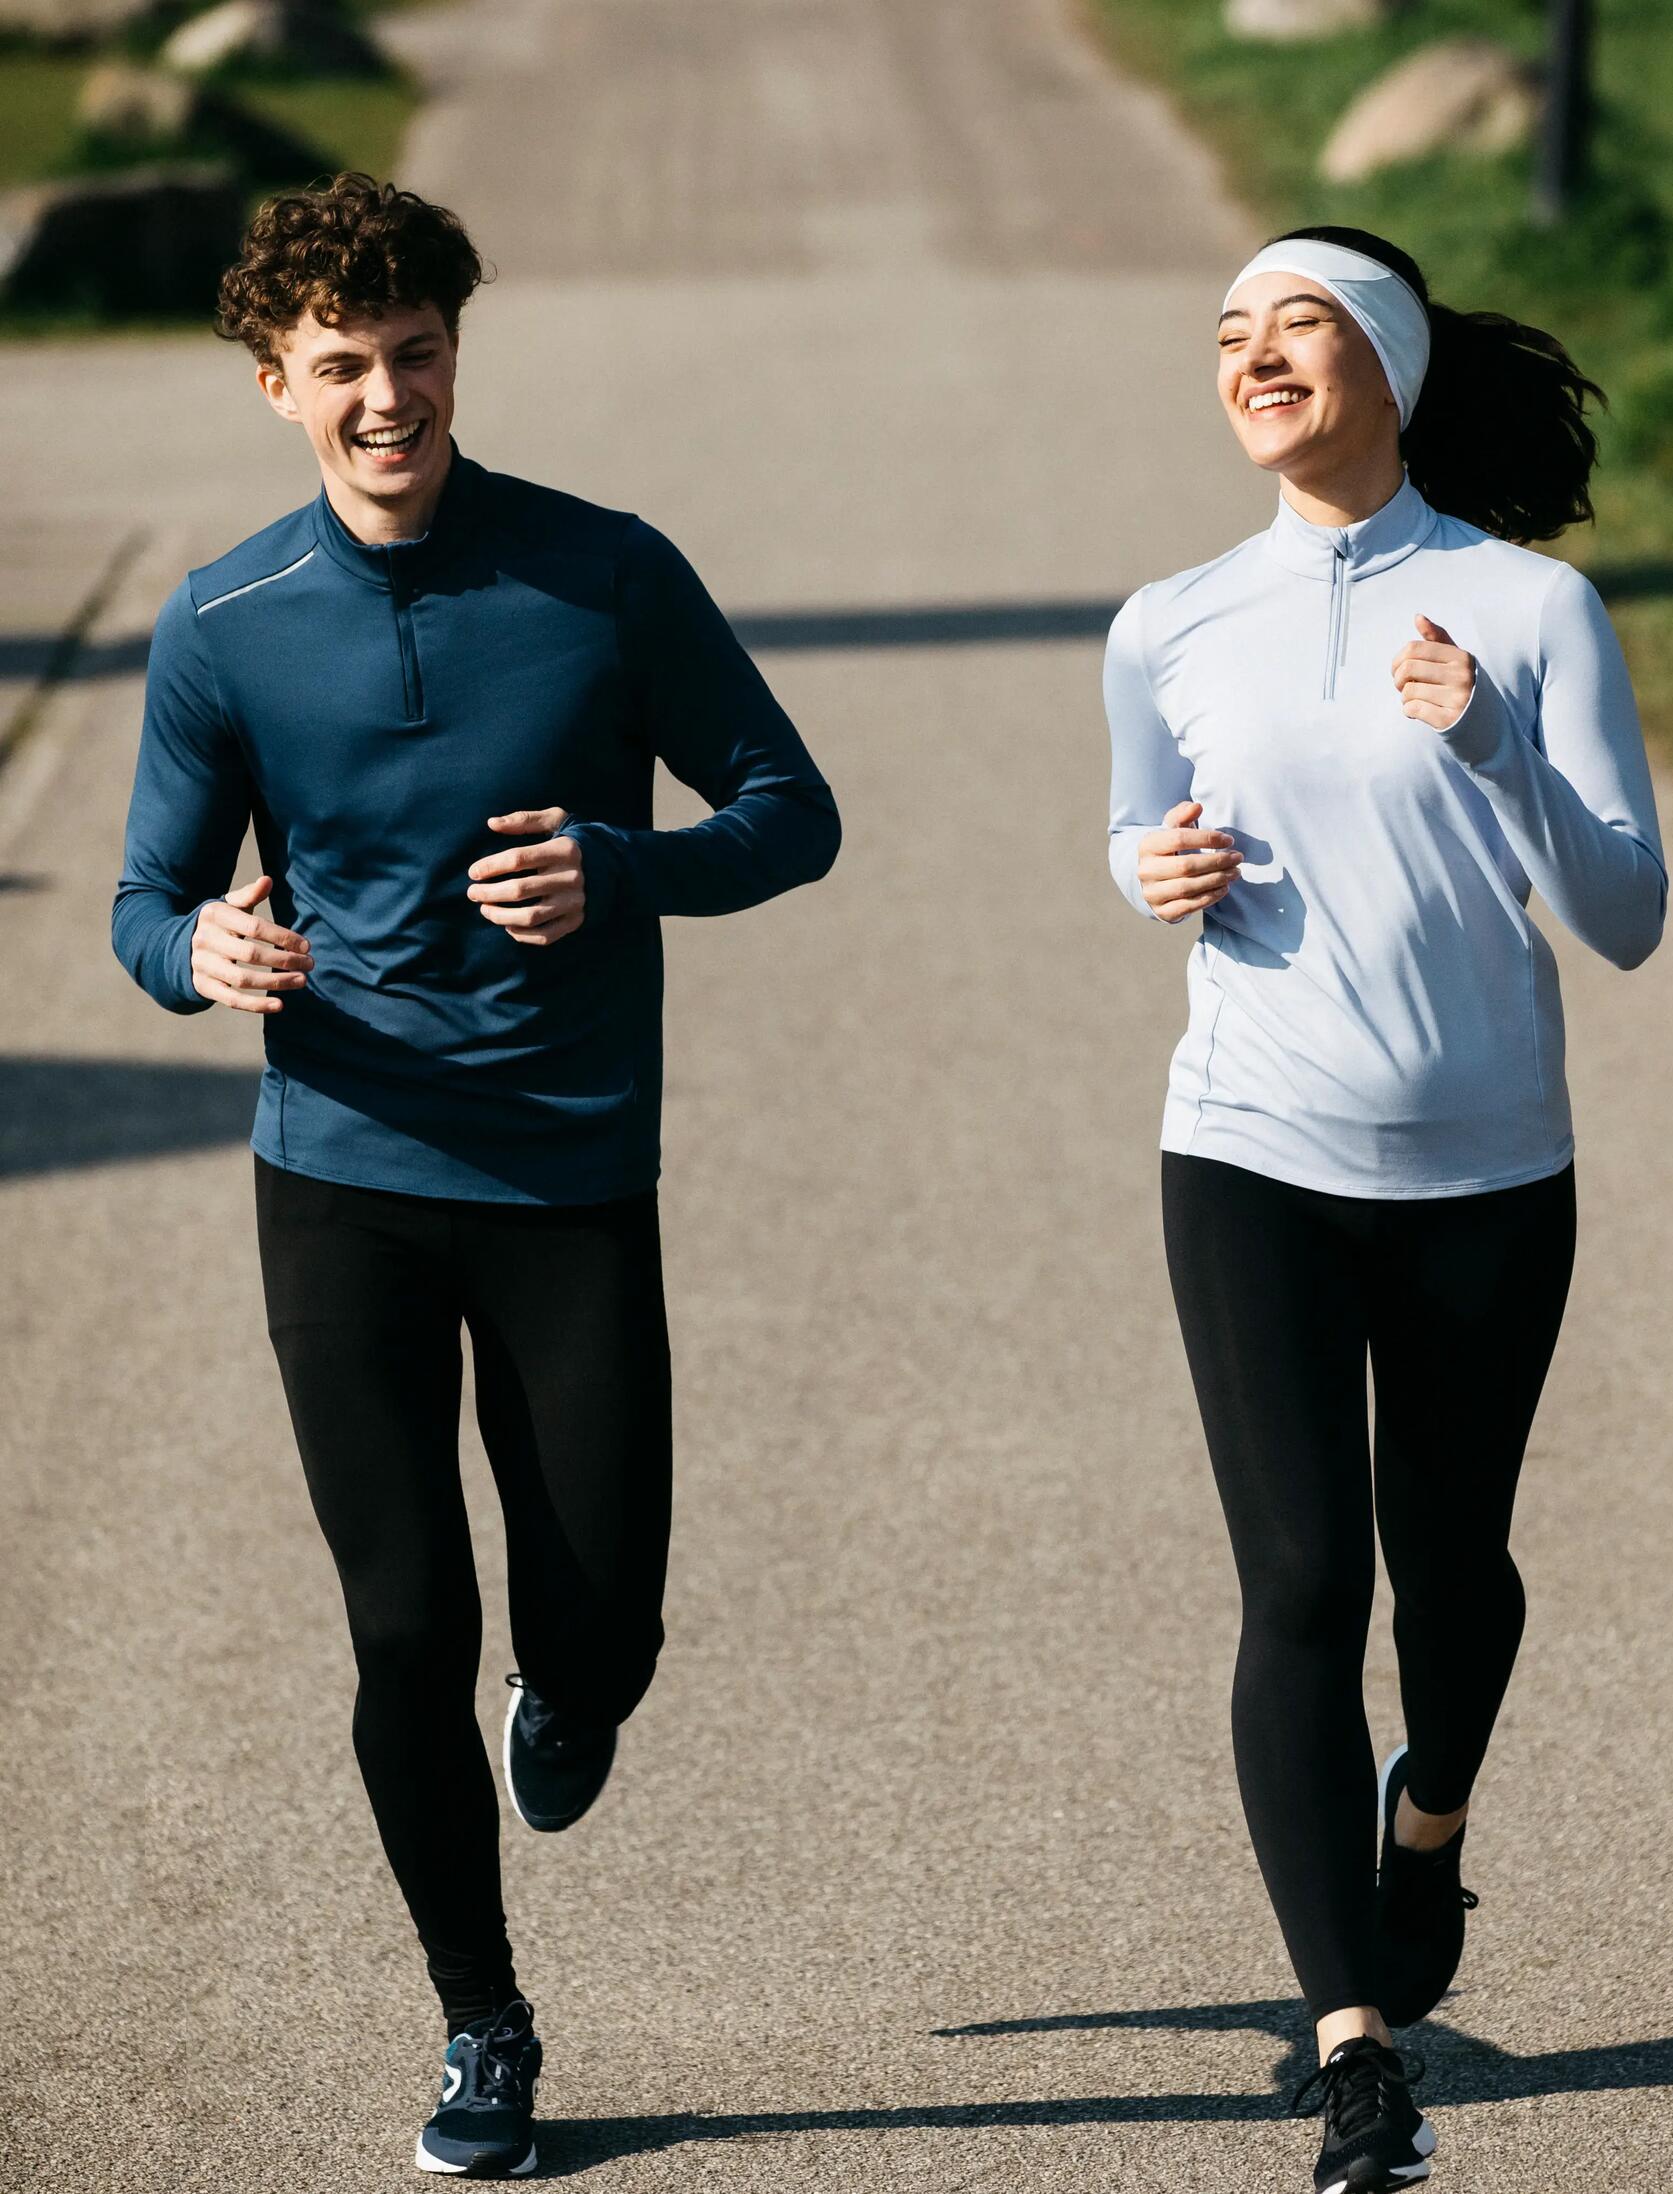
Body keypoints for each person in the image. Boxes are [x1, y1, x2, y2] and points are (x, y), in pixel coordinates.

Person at [112, 172, 840, 2178]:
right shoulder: (229, 624)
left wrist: (627, 870)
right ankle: (482, 2021)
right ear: (275, 382)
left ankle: (576, 1684)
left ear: (457, 347)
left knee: (600, 1622)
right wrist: (206, 954)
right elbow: (144, 896)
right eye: (339, 367)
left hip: (571, 1174)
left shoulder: (601, 575)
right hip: (339, 1168)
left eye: (414, 354)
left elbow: (793, 810)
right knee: (402, 1622)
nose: (385, 401)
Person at [1103, 226, 1667, 2194]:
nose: (1256, 353)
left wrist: (1496, 740)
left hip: (1486, 1174)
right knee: (1301, 1586)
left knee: (1453, 1570)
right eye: (1234, 329)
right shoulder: (1167, 618)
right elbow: (1129, 815)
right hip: (1247, 1146)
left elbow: (1629, 916)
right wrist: (1147, 868)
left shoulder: (1528, 609)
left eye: (1302, 324)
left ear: (1396, 369)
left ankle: (1428, 1814)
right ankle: (1356, 2053)